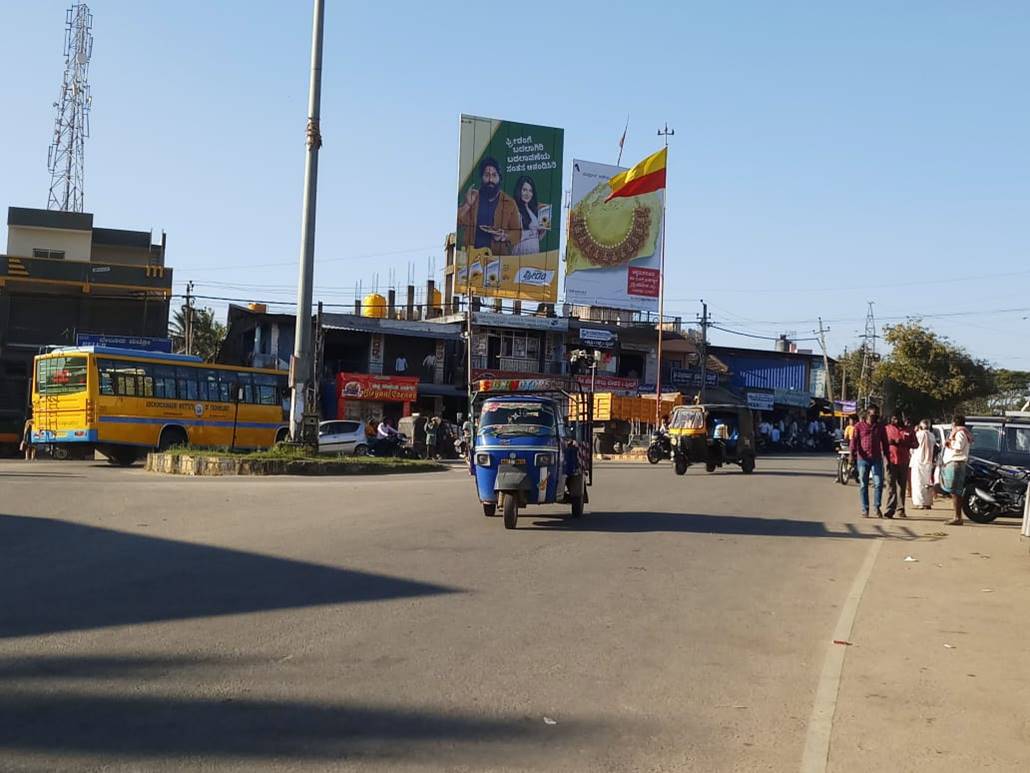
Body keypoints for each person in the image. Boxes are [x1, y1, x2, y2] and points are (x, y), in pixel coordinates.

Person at [456, 157, 522, 255]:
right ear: (481, 178)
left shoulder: (509, 203)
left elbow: (518, 234)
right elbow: (457, 221)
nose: (490, 179)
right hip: (471, 259)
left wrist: (504, 235)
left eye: (494, 175)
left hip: (497, 259)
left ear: (500, 178)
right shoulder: (473, 197)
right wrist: (467, 205)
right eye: (487, 175)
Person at [850, 404, 889, 518]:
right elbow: (854, 442)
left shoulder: (880, 427)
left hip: (876, 458)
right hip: (862, 459)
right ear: (868, 415)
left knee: (878, 483)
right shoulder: (858, 426)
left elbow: (885, 443)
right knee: (863, 484)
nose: (875, 418)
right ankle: (865, 509)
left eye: (877, 415)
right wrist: (852, 456)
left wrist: (887, 457)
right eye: (873, 415)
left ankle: (877, 507)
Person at [941, 415, 973, 526]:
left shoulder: (960, 433)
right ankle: (956, 516)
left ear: (955, 422)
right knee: (954, 491)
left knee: (955, 491)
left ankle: (957, 517)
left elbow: (958, 446)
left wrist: (949, 444)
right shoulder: (960, 433)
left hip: (956, 463)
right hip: (954, 463)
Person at [884, 414, 917, 518]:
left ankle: (901, 509)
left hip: (903, 461)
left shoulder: (909, 430)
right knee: (891, 486)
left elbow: (916, 444)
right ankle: (890, 509)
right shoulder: (887, 429)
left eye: (897, 418)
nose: (896, 420)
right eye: (893, 418)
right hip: (890, 461)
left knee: (901, 486)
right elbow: (880, 442)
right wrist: (891, 442)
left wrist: (904, 443)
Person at [511, 175, 548, 256]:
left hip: (534, 252)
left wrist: (543, 228)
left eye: (530, 191)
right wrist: (532, 233)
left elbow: (538, 237)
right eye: (524, 190)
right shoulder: (513, 208)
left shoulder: (533, 210)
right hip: (521, 251)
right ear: (519, 190)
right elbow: (513, 236)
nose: (528, 194)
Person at [909, 419, 937, 510]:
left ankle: (920, 503)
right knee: (927, 482)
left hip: (918, 461)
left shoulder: (918, 435)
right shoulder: (932, 436)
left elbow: (912, 448)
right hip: (928, 462)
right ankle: (928, 503)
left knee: (918, 483)